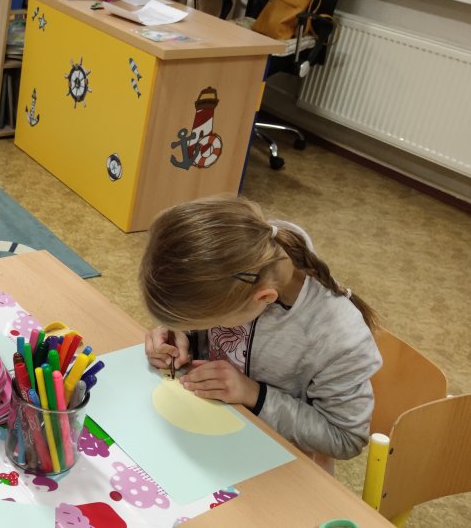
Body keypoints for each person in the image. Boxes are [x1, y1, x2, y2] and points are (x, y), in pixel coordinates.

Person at [140, 196, 381, 468]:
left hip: (277, 467)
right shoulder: (248, 256)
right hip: (209, 439)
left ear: (264, 298)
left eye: (210, 319)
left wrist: (254, 395)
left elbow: (345, 439)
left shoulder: (338, 339)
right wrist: (182, 336)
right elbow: (212, 313)